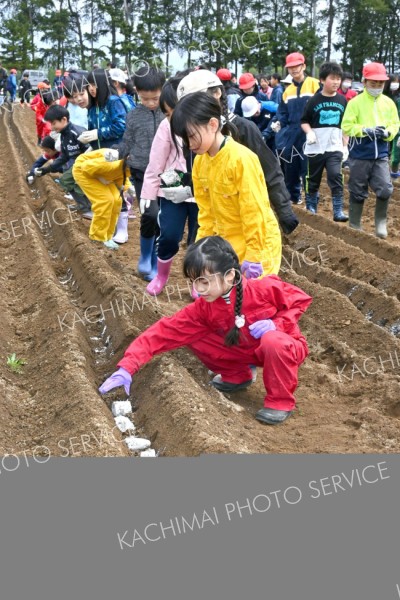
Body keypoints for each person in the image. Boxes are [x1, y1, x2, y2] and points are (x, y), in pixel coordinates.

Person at [99, 236, 312, 425]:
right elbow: (165, 331)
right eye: (194, 282)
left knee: (273, 341)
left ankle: (280, 401)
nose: (198, 290)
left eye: (204, 282)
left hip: (283, 348)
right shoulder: (204, 307)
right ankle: (237, 374)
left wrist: (277, 324)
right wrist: (127, 367)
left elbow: (300, 299)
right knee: (192, 336)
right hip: (243, 349)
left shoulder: (262, 289)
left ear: (229, 276)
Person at [176, 69, 299, 235]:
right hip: (215, 220)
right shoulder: (193, 138)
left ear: (217, 93)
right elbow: (198, 177)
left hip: (248, 220)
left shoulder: (243, 129)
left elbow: (270, 171)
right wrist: (185, 186)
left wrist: (284, 211)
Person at [171, 92, 282, 276]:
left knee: (253, 301)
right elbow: (206, 215)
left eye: (191, 136)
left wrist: (254, 256)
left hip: (257, 245)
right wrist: (202, 252)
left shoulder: (242, 160)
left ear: (213, 124)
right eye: (184, 139)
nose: (189, 144)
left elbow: (254, 211)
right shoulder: (200, 163)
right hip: (226, 247)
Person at [139, 80, 198, 295]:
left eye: (173, 111)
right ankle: (161, 276)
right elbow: (156, 161)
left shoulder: (205, 125)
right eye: (167, 113)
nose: (171, 117)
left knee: (198, 239)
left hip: (203, 189)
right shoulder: (166, 127)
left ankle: (197, 280)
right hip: (174, 186)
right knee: (169, 235)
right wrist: (149, 192)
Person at [115, 66, 166, 277]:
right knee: (149, 214)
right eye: (146, 99)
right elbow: (126, 142)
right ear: (137, 92)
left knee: (163, 219)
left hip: (167, 174)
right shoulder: (133, 116)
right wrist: (115, 156)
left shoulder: (170, 113)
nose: (151, 103)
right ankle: (145, 255)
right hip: (141, 172)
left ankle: (156, 262)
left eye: (155, 98)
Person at [341, 62, 400, 238]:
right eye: (373, 83)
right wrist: (364, 130)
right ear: (364, 82)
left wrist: (388, 132)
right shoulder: (355, 103)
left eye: (380, 83)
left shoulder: (388, 103)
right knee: (357, 189)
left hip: (381, 154)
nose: (377, 87)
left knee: (385, 188)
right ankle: (355, 224)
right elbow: (346, 125)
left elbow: (395, 123)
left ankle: (380, 222)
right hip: (360, 154)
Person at [300, 61, 348, 221]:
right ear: (322, 80)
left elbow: (345, 125)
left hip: (334, 146)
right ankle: (311, 206)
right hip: (316, 147)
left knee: (336, 175)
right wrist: (309, 133)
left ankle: (338, 210)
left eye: (338, 78)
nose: (336, 82)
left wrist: (345, 145)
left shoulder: (342, 101)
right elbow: (304, 121)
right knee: (313, 178)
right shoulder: (314, 101)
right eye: (332, 78)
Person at [272, 52, 320, 205]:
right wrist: (279, 122)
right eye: (290, 67)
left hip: (310, 132)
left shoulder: (315, 84)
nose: (293, 70)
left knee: (308, 169)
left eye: (296, 66)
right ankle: (294, 199)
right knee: (291, 168)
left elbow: (321, 105)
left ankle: (311, 203)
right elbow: (283, 111)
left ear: (303, 66)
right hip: (292, 133)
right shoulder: (288, 91)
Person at [36, 105, 92, 217]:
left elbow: (90, 150)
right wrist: (46, 169)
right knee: (66, 180)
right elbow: (65, 156)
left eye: (53, 123)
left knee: (71, 181)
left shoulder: (77, 132)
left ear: (64, 120)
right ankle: (84, 206)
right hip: (78, 165)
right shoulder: (63, 135)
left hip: (88, 164)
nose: (51, 127)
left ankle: (88, 208)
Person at [73, 148, 131, 247]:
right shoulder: (112, 163)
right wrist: (99, 177)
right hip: (84, 171)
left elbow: (121, 175)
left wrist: (127, 188)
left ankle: (107, 236)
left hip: (103, 173)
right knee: (105, 200)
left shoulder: (130, 165)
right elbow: (86, 167)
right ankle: (97, 237)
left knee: (117, 201)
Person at [383, 74, 400, 178]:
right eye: (394, 82)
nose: (395, 84)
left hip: (395, 127)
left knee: (394, 152)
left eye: (397, 82)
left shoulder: (397, 97)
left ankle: (393, 173)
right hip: (384, 125)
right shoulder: (384, 96)